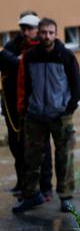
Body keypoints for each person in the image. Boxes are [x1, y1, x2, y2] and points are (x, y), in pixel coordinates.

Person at [12, 18, 80, 213]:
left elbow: (77, 86)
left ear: (56, 33)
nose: (47, 36)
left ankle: (66, 197)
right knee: (31, 158)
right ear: (38, 33)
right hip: (35, 116)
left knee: (64, 158)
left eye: (50, 32)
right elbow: (25, 85)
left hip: (60, 115)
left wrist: (69, 108)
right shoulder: (30, 56)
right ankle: (31, 195)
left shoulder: (66, 56)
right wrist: (24, 110)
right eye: (43, 32)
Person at [0, 11, 53, 201]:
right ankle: (22, 184)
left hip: (35, 107)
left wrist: (4, 55)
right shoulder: (13, 45)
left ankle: (45, 188)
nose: (25, 31)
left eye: (29, 28)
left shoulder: (42, 47)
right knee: (16, 146)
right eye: (23, 27)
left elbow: (18, 65)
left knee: (42, 148)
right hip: (12, 106)